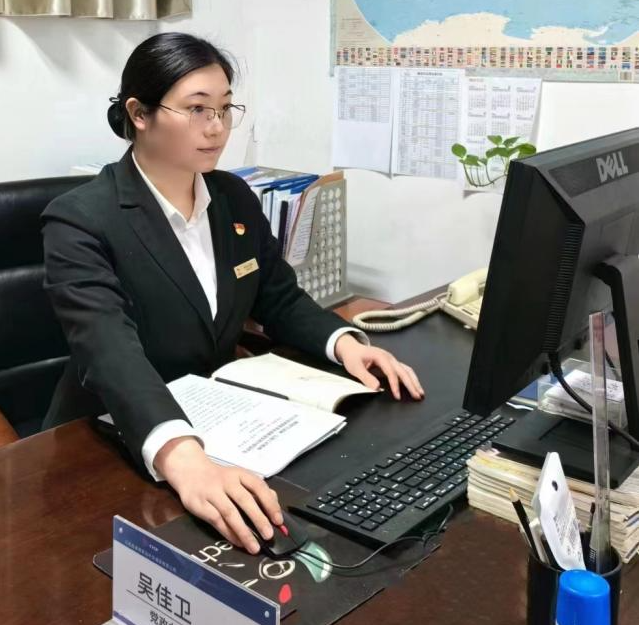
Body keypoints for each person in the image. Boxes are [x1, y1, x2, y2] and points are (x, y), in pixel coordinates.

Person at [41, 32, 424, 555]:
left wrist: (344, 344)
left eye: (224, 108)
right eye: (197, 109)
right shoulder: (80, 220)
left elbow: (278, 297)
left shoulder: (232, 196)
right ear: (139, 113)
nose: (217, 127)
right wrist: (183, 457)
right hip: (115, 437)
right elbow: (109, 350)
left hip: (219, 419)